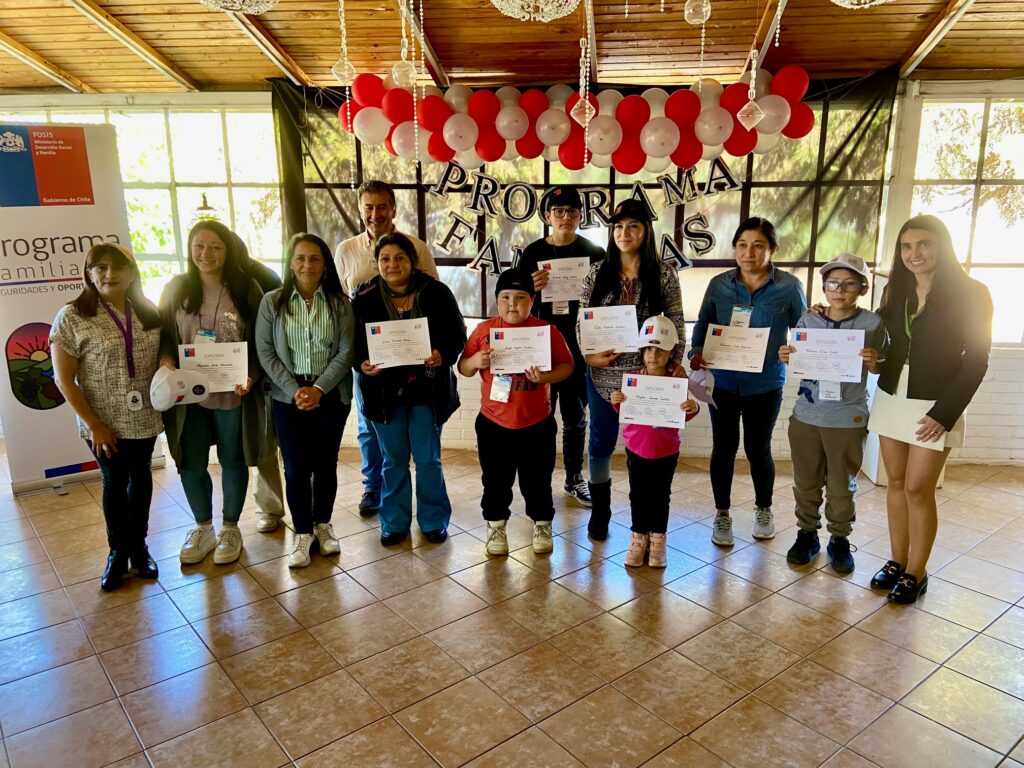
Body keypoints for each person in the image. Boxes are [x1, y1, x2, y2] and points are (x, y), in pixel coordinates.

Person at [869, 215, 992, 603]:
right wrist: (875, 362)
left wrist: (944, 413)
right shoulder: (896, 291)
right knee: (896, 483)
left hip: (936, 402)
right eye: (906, 247)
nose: (914, 253)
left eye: (923, 244)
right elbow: (889, 345)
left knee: (919, 489)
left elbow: (976, 361)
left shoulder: (973, 293)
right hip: (892, 397)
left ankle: (916, 572)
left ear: (942, 246)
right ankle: (896, 560)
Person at [50, 243, 164, 591]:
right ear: (89, 273)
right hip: (101, 423)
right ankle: (118, 552)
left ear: (132, 273)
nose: (109, 274)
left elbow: (165, 353)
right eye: (100, 267)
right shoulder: (71, 316)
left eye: (117, 267)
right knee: (114, 482)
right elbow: (63, 379)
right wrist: (95, 424)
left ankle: (139, 548)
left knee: (141, 479)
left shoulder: (149, 311)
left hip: (144, 416)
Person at [690, 217, 806, 548]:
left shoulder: (789, 286)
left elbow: (804, 331)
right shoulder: (719, 284)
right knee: (723, 449)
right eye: (742, 245)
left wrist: (793, 350)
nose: (749, 252)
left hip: (765, 384)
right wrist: (697, 352)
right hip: (722, 382)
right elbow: (703, 324)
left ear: (772, 250)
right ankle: (722, 514)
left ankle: (763, 510)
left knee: (758, 449)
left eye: (758, 245)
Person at [159, 219, 268, 566]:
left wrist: (250, 377)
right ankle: (203, 527)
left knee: (233, 459)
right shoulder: (176, 288)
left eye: (215, 247)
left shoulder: (247, 288)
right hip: (188, 396)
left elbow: (260, 341)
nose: (206, 254)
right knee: (190, 462)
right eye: (199, 246)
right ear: (190, 249)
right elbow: (163, 335)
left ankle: (231, 528)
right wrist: (166, 360)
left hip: (232, 393)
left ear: (228, 250)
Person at [577, 198, 686, 542]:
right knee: (600, 444)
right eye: (618, 226)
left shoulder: (664, 273)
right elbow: (582, 322)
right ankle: (601, 510)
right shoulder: (597, 272)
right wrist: (588, 357)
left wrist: (669, 367)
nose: (625, 233)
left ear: (647, 231)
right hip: (604, 378)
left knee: (649, 449)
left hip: (649, 381)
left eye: (633, 226)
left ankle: (648, 522)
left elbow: (677, 324)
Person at [352, 232, 465, 546]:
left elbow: (457, 333)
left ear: (413, 262)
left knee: (428, 459)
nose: (392, 265)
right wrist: (362, 362)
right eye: (385, 259)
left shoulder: (436, 292)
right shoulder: (364, 297)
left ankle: (432, 520)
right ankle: (394, 522)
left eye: (400, 258)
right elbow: (351, 343)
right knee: (393, 460)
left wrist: (443, 353)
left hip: (427, 391)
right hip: (383, 393)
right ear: (377, 264)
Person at [335, 180, 439, 519]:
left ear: (393, 209)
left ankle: (425, 508)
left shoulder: (416, 247)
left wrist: (436, 350)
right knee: (369, 425)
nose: (375, 213)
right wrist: (356, 358)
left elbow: (434, 297)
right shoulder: (346, 251)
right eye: (368, 207)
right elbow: (341, 308)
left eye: (382, 206)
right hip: (371, 360)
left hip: (414, 358)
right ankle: (373, 488)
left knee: (421, 436)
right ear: (361, 209)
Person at [778, 254, 887, 574]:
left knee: (842, 486)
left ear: (862, 288)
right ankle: (807, 534)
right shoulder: (808, 320)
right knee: (806, 482)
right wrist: (787, 355)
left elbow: (884, 365)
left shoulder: (873, 324)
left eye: (850, 283)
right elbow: (797, 357)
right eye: (833, 283)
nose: (840, 290)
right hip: (807, 416)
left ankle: (839, 538)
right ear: (824, 287)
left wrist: (874, 362)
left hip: (848, 418)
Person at [458, 268, 574, 556]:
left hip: (537, 424)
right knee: (495, 479)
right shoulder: (485, 331)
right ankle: (496, 526)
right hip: (494, 424)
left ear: (531, 300)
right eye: (506, 297)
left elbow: (567, 366)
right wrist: (475, 359)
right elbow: (463, 368)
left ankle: (542, 523)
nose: (513, 304)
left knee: (537, 480)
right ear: (497, 300)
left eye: (520, 297)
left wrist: (544, 378)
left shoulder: (546, 331)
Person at [256, 233, 355, 568]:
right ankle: (302, 533)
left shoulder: (340, 303)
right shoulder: (272, 302)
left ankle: (323, 525)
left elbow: (346, 352)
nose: (307, 264)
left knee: (325, 463)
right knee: (296, 467)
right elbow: (266, 353)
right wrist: (295, 389)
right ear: (290, 263)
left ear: (325, 263)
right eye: (300, 258)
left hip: (331, 396)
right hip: (288, 398)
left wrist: (319, 389)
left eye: (314, 258)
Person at [517, 187, 606, 508]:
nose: (566, 217)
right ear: (547, 216)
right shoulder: (532, 252)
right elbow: (513, 300)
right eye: (559, 212)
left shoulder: (595, 252)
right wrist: (530, 285)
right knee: (539, 417)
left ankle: (573, 478)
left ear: (581, 216)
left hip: (580, 348)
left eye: (572, 211)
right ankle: (538, 478)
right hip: (540, 346)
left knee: (575, 418)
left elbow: (606, 302)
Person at [610, 315, 699, 569]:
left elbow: (686, 412)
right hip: (636, 450)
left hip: (666, 451)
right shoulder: (633, 379)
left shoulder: (677, 382)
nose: (653, 355)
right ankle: (638, 538)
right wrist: (618, 401)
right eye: (648, 349)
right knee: (638, 495)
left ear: (671, 352)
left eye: (660, 350)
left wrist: (692, 407)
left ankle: (658, 540)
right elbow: (625, 413)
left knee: (661, 496)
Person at [230, 231, 287, 534]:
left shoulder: (264, 277)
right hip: (235, 378)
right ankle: (269, 507)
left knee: (288, 443)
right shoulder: (204, 284)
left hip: (275, 374)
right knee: (261, 444)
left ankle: (311, 508)